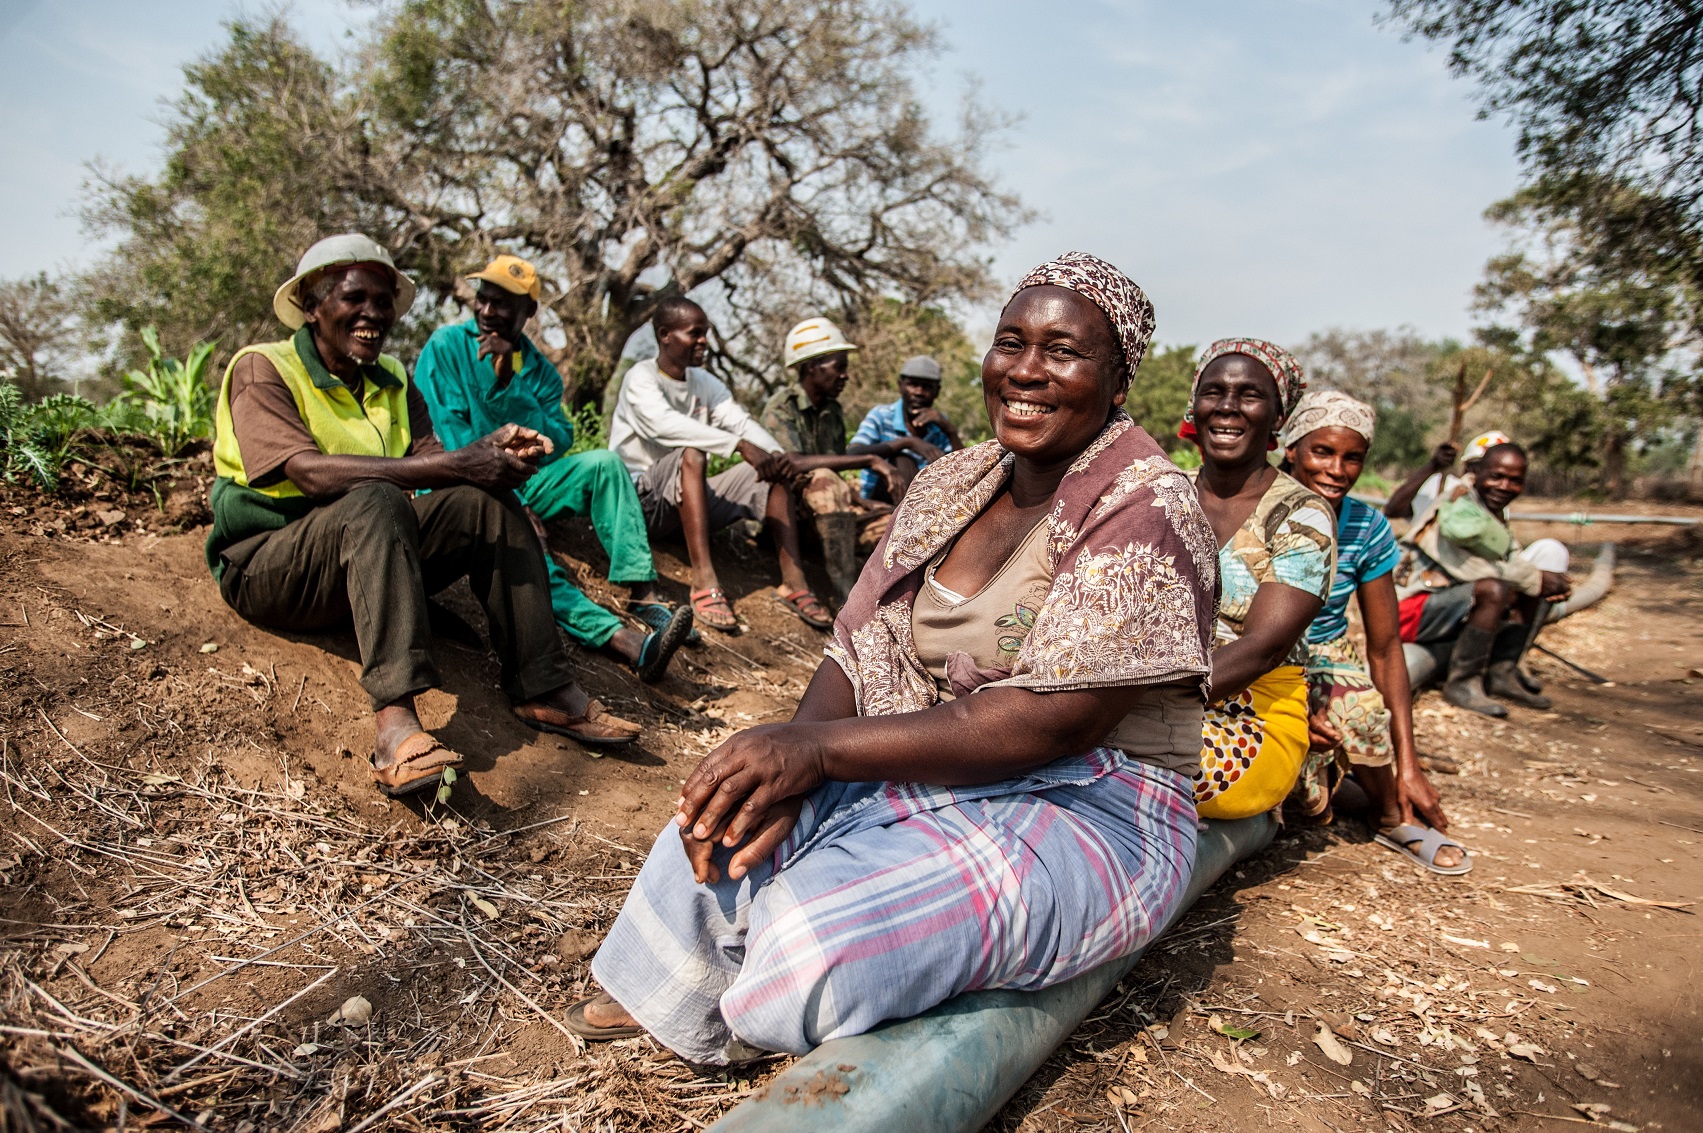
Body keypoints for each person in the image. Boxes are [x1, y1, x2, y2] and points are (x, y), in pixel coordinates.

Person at [567, 252, 1216, 1064]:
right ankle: (693, 990)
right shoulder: (954, 480)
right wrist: (789, 772)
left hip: (1091, 800)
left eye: (1062, 351)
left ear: (1118, 381)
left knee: (809, 937)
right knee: (718, 816)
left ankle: (765, 998)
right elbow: (857, 640)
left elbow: (1055, 720)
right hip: (944, 754)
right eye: (1010, 341)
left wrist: (816, 751)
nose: (1025, 370)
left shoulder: (1147, 503)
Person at [206, 235, 641, 798]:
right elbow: (308, 473)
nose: (373, 314)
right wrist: (460, 462)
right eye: (354, 297)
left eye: (384, 300)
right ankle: (396, 726)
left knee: (484, 501)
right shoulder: (263, 368)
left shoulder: (390, 375)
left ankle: (544, 687)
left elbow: (433, 461)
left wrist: (489, 456)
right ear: (312, 306)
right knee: (376, 495)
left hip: (362, 553)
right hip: (270, 564)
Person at [413, 255, 693, 683]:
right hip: (465, 484)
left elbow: (559, 438)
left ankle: (642, 593)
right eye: (483, 300)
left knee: (603, 463)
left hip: (528, 478)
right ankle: (624, 641)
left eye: (502, 304)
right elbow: (450, 440)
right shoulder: (447, 347)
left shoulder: (539, 371)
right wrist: (512, 499)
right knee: (528, 555)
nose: (488, 312)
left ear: (529, 311)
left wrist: (511, 379)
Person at [1279, 390, 1469, 874]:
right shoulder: (1259, 506)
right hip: (1260, 654)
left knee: (1359, 710)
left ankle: (1391, 813)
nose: (1337, 470)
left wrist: (1410, 762)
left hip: (1325, 653)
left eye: (1353, 458)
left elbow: (1385, 647)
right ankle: (1347, 793)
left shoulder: (1365, 525)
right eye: (1323, 452)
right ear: (1291, 448)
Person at [609, 297, 835, 632]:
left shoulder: (704, 382)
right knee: (693, 452)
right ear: (665, 335)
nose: (703, 341)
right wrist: (738, 445)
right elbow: (662, 424)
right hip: (642, 502)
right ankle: (703, 580)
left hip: (688, 499)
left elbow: (739, 422)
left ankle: (794, 582)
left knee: (770, 472)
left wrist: (773, 454)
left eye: (706, 334)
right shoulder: (640, 378)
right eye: (694, 333)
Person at [1183, 338, 1336, 821]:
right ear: (1195, 405)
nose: (1227, 408)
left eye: (1249, 395)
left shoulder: (1302, 514)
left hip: (1253, 715)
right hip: (1133, 701)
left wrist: (1130, 705)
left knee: (1144, 764)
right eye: (1214, 392)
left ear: (1277, 418)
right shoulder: (1160, 493)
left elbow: (1262, 649)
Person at [1393, 442, 1572, 716]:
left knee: (1523, 586)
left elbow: (1511, 561)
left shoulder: (1488, 510)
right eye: (1496, 476)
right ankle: (1462, 683)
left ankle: (1503, 672)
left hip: (1442, 608)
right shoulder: (1458, 507)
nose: (1504, 486)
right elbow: (1472, 569)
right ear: (1477, 473)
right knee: (1496, 590)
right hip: (1408, 611)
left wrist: (1539, 582)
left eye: (1515, 481)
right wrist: (1536, 579)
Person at [758, 318, 900, 599]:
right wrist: (870, 459)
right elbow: (793, 463)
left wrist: (860, 501)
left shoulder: (832, 412)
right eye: (840, 368)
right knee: (823, 480)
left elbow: (834, 469)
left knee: (893, 523)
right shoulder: (781, 408)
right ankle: (844, 595)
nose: (845, 376)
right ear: (813, 367)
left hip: (826, 516)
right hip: (786, 519)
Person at [847, 354, 962, 502]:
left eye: (927, 387)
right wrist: (908, 442)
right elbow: (852, 452)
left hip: (925, 503)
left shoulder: (939, 425)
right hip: (881, 499)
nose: (919, 392)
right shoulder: (882, 416)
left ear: (937, 391)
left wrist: (950, 431)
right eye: (913, 384)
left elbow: (962, 472)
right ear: (900, 385)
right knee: (902, 460)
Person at [1384, 429, 1509, 521]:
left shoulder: (1498, 506)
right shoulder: (1442, 487)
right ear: (1467, 468)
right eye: (1480, 467)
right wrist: (1433, 466)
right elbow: (1393, 510)